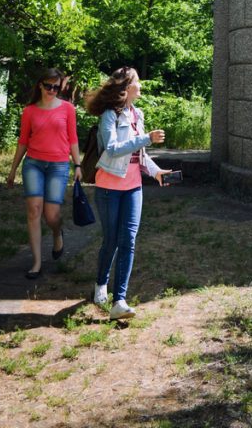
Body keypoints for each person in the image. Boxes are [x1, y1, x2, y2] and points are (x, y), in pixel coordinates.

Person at [84, 66, 168, 321]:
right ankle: (101, 284)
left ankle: (119, 300)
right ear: (126, 87)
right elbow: (112, 148)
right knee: (112, 240)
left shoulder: (137, 114)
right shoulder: (110, 115)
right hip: (109, 188)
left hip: (133, 188)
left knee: (128, 240)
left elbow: (139, 156)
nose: (141, 85)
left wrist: (156, 172)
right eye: (137, 81)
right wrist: (146, 139)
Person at [6, 67, 82, 279]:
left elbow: (73, 138)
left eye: (56, 87)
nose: (52, 90)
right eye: (48, 86)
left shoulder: (68, 109)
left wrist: (78, 165)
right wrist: (12, 170)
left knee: (52, 214)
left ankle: (57, 233)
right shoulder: (29, 111)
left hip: (58, 166)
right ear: (40, 85)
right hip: (34, 164)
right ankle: (37, 263)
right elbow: (23, 141)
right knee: (33, 211)